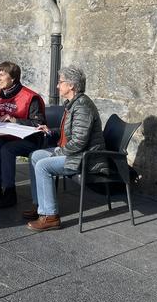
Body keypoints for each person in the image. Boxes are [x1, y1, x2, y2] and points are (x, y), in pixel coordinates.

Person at [24, 65, 106, 231]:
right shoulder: (74, 103)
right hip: (76, 153)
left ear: (71, 86)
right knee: (35, 156)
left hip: (85, 158)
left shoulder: (82, 106)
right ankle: (40, 204)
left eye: (60, 82)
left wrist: (56, 152)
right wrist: (52, 132)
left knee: (43, 165)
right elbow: (69, 133)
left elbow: (79, 142)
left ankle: (50, 216)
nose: (57, 86)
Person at [0, 61, 46, 208]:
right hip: (5, 137)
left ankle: (9, 193)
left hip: (30, 140)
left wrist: (15, 120)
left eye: (2, 75)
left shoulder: (30, 97)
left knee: (6, 149)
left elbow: (39, 124)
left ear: (13, 78)